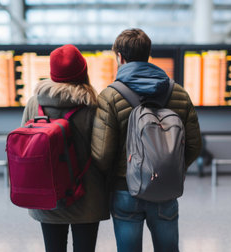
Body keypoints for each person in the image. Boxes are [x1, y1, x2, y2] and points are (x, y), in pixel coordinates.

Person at [91, 28, 201, 252]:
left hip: (125, 190)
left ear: (120, 57)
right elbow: (194, 146)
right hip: (165, 189)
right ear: (148, 55)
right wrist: (167, 168)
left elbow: (102, 154)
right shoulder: (179, 93)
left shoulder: (110, 96)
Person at [21, 44, 109, 252]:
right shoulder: (94, 106)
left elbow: (26, 149)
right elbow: (102, 154)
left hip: (48, 195)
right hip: (87, 196)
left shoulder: (34, 104)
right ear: (83, 72)